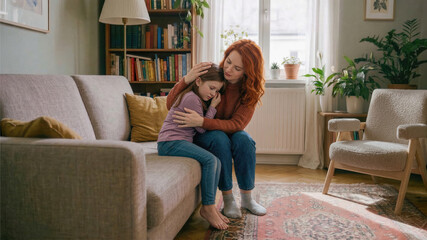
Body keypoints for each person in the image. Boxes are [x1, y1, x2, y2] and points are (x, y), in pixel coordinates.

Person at [166, 39, 267, 219]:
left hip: (213, 127)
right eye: (228, 62)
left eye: (237, 68)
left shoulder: (250, 90)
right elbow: (170, 105)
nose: (228, 70)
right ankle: (228, 199)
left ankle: (247, 198)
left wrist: (202, 121)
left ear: (248, 72)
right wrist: (186, 79)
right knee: (219, 138)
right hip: (201, 135)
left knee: (245, 140)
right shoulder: (212, 74)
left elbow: (237, 125)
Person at [157, 64, 229, 230]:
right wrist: (213, 108)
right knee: (211, 160)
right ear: (198, 81)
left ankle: (209, 205)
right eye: (211, 88)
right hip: (170, 143)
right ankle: (208, 207)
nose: (212, 94)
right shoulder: (191, 98)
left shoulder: (195, 98)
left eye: (216, 91)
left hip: (176, 142)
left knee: (215, 160)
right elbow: (201, 128)